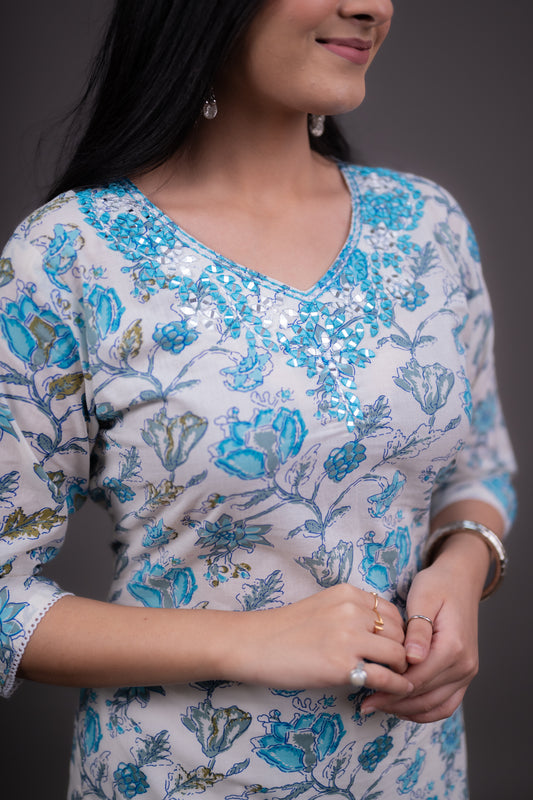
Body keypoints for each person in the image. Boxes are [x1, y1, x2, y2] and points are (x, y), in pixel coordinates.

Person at [0, 1, 516, 798]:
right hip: (177, 772)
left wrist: (461, 566)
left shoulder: (426, 227)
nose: (372, 6)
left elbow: (479, 467)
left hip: (416, 773)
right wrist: (247, 641)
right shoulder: (71, 254)